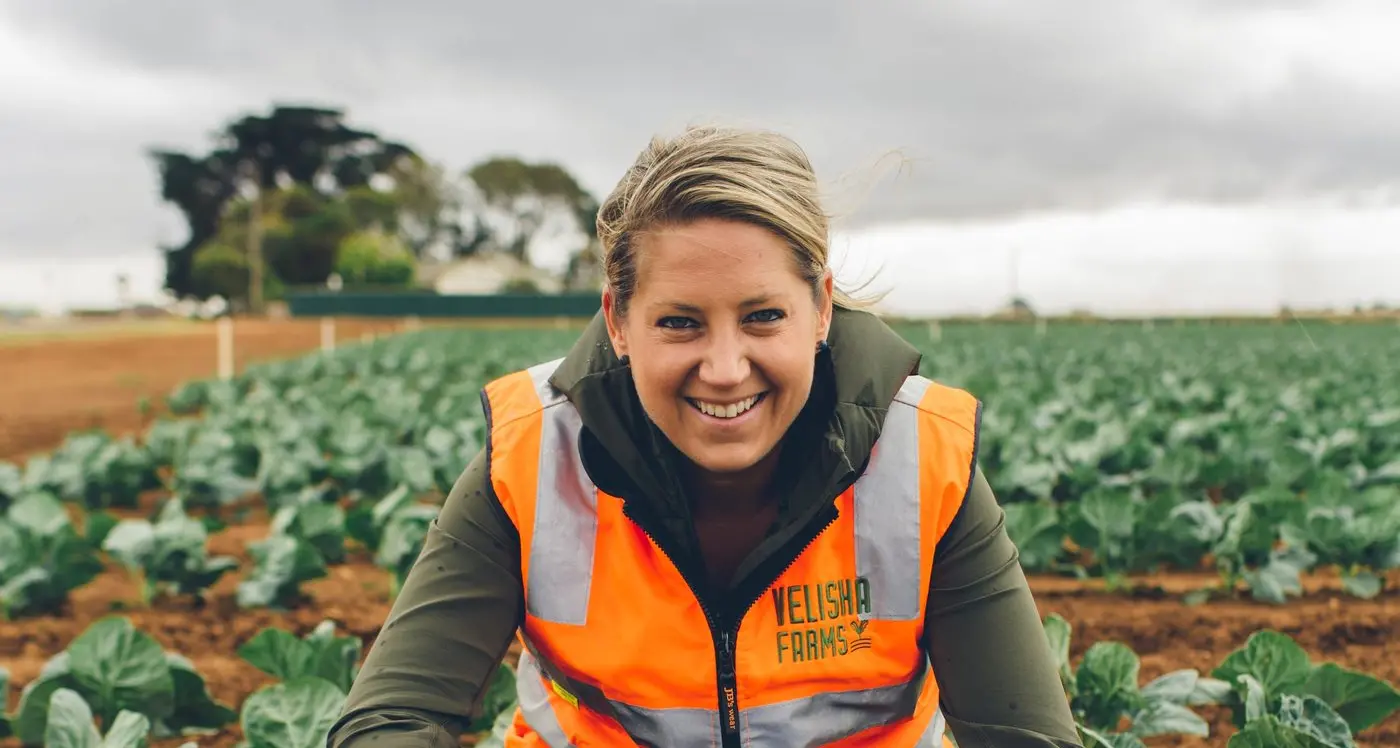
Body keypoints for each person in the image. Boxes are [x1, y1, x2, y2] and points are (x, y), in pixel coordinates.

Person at [327, 126, 1082, 748]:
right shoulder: (530, 455)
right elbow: (392, 719)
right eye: (680, 322)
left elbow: (1026, 738)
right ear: (618, 322)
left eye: (763, 317)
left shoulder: (925, 460)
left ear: (820, 310)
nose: (725, 370)